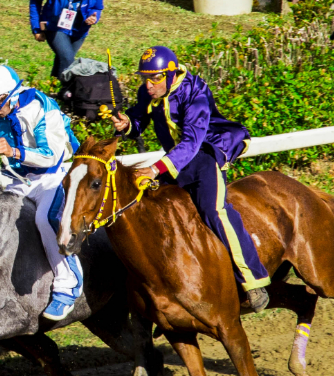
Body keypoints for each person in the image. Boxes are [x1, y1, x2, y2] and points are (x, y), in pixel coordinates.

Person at [108, 46, 271, 312]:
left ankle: (253, 281)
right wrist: (128, 124)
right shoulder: (148, 91)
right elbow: (139, 119)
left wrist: (155, 169)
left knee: (213, 210)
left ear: (171, 75)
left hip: (206, 151)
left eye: (156, 78)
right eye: (144, 79)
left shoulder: (195, 92)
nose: (148, 85)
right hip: (177, 158)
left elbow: (192, 142)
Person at [0, 65, 82, 320]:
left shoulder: (42, 107)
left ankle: (68, 288)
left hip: (55, 174)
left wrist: (13, 152)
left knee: (45, 219)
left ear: (12, 94)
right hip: (17, 177)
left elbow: (52, 155)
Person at [29, 0, 102, 82]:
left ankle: (53, 90)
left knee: (62, 61)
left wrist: (92, 17)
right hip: (55, 27)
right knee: (67, 59)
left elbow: (97, 7)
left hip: (79, 30)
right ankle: (64, 92)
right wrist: (36, 28)